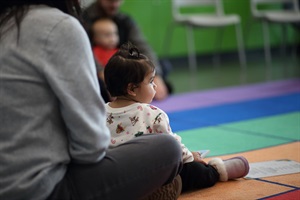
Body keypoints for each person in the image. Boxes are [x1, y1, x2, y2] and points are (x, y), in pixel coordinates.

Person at [0, 1, 183, 200]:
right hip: (40, 189)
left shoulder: (7, 22)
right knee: (168, 148)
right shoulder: (58, 26)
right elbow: (91, 148)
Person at [104, 42, 250, 193]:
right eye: (151, 81)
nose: (154, 86)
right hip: (148, 174)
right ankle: (218, 170)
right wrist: (190, 157)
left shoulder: (99, 112)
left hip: (114, 180)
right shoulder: (153, 114)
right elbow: (172, 147)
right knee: (194, 171)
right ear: (132, 88)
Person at [82, 0, 172, 101]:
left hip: (124, 68)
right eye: (110, 1)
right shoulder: (84, 19)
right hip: (99, 71)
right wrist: (102, 73)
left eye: (118, 1)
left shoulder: (125, 20)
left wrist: (155, 75)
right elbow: (84, 51)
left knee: (163, 65)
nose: (114, 5)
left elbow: (142, 46)